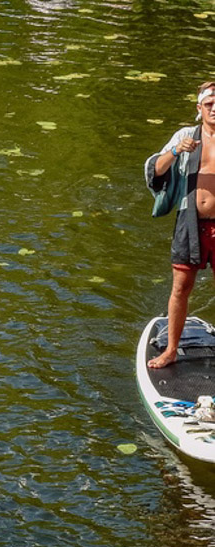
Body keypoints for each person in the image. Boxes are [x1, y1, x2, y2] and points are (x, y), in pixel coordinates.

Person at [145, 82, 215, 368]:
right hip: (191, 224)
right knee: (181, 288)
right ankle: (171, 350)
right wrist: (175, 151)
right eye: (209, 104)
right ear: (200, 109)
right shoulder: (187, 135)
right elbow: (155, 170)